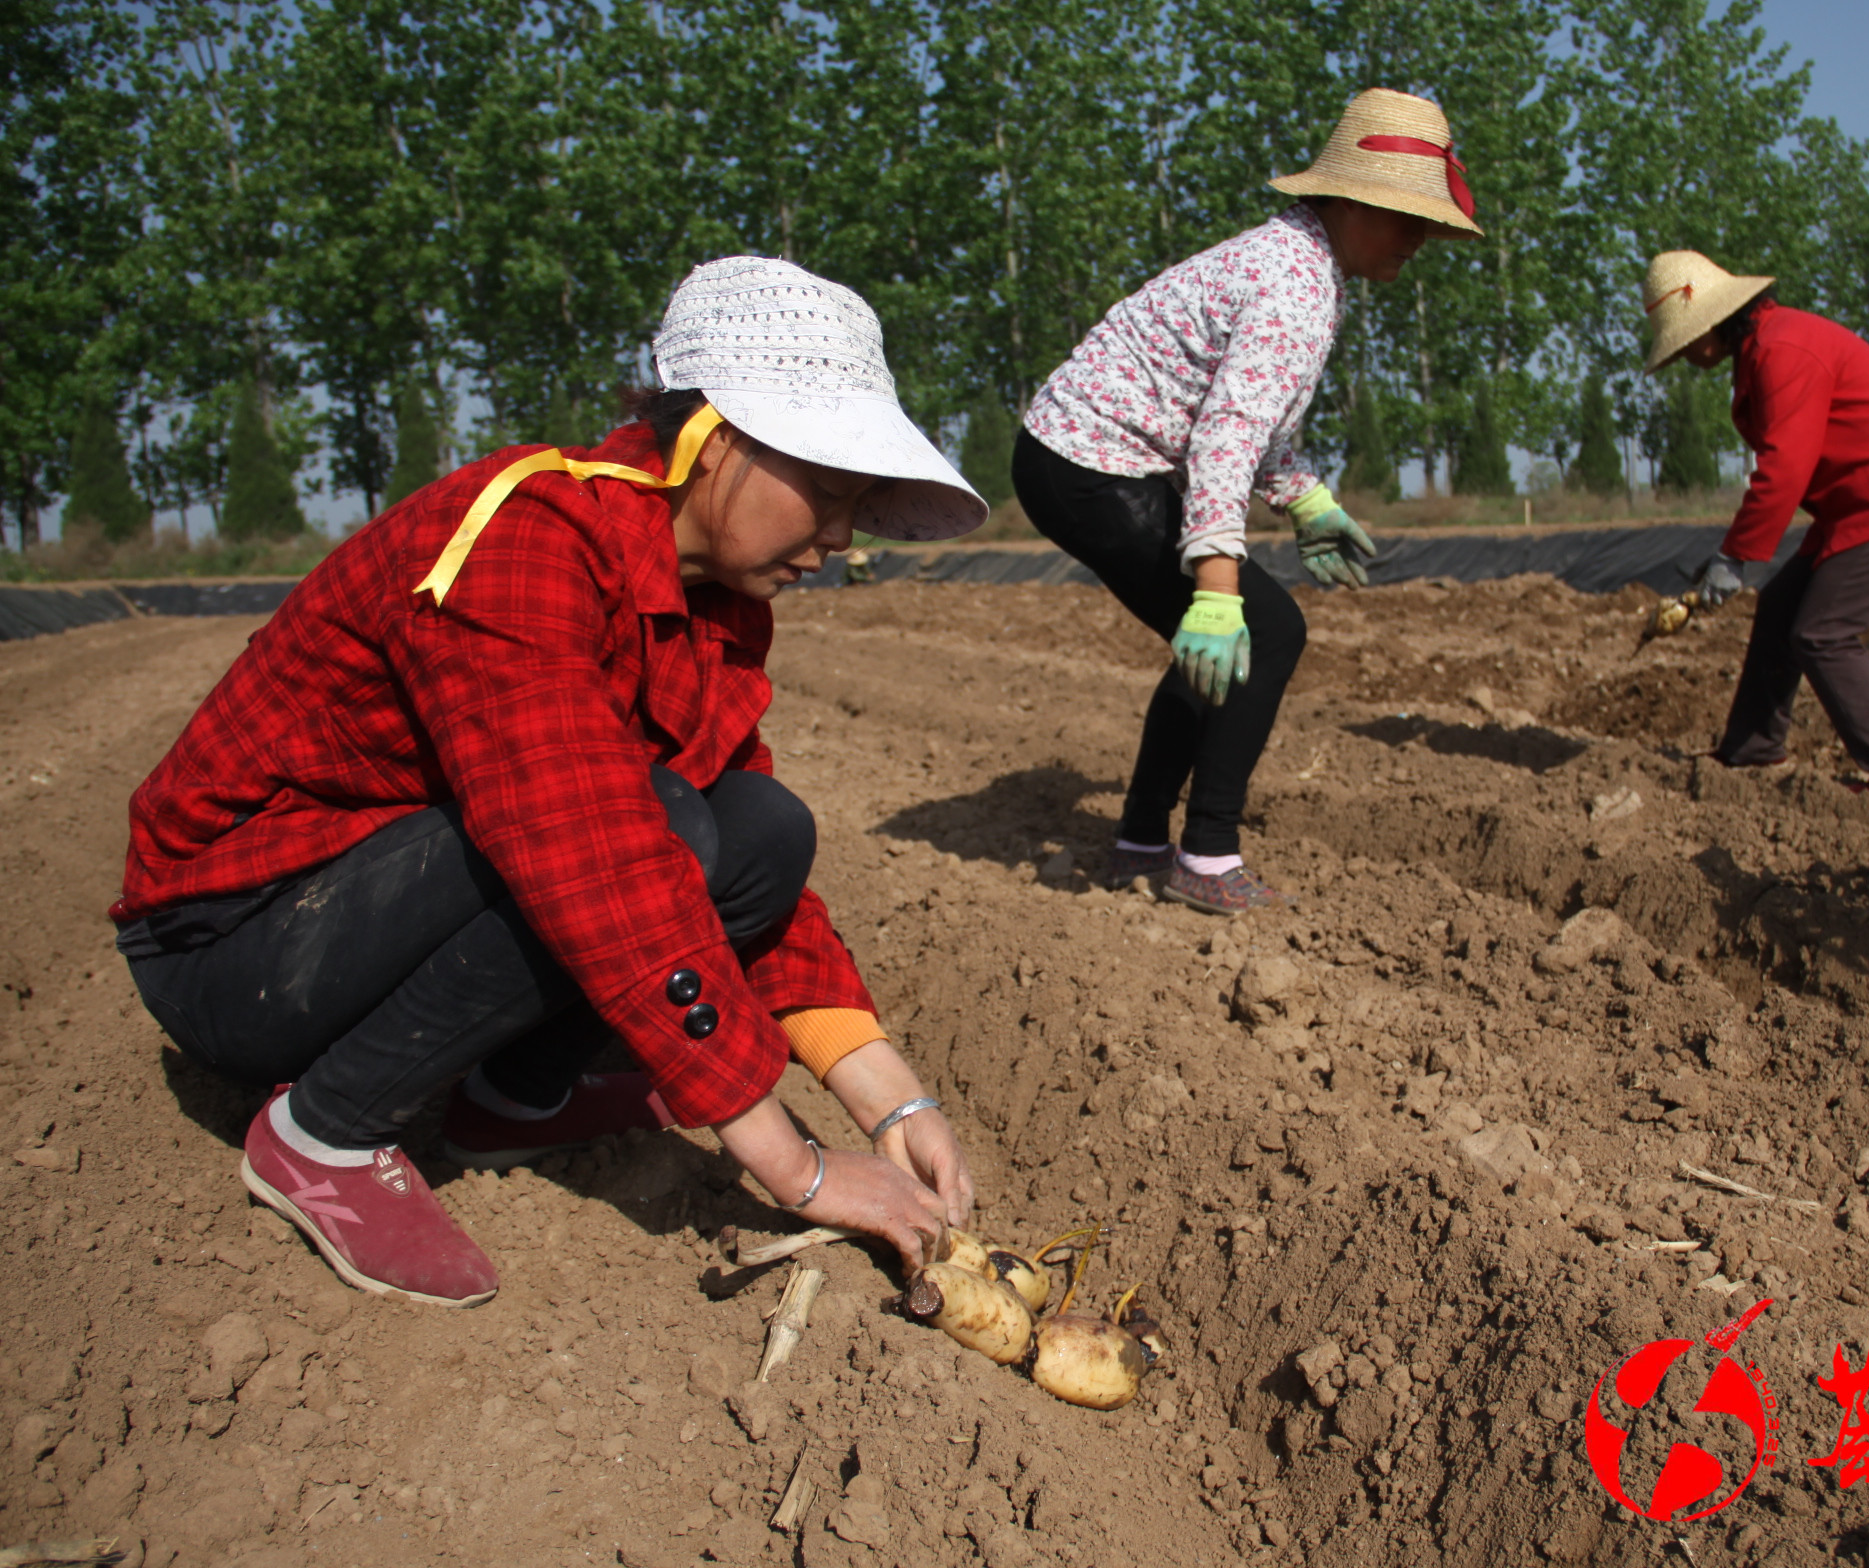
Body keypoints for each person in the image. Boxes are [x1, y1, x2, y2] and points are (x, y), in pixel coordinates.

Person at [113, 258, 987, 1307]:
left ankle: (511, 1100)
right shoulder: (528, 532)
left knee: (757, 827)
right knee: (646, 823)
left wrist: (892, 1101)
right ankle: (326, 1133)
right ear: (717, 440)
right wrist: (795, 1168)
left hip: (378, 894)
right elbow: (588, 851)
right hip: (238, 940)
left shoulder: (714, 606)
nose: (842, 538)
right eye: (832, 493)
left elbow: (755, 875)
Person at [1013, 87, 1481, 913]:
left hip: (1080, 458)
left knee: (1220, 647)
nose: (1420, 240)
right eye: (1408, 217)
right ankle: (1206, 854)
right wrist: (1218, 586)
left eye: (1429, 224)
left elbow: (1250, 428)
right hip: (1091, 462)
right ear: (1349, 201)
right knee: (1261, 629)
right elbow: (1223, 434)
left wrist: (1305, 500)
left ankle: (1140, 841)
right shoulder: (1293, 286)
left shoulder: (1302, 265)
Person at [1646, 250, 1869, 792]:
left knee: (1822, 633)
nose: (1683, 356)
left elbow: (1785, 467)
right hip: (1863, 500)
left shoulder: (1782, 350)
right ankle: (1751, 750)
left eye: (1681, 343)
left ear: (1708, 328)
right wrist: (1734, 552)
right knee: (1781, 606)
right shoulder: (1764, 348)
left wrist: (1736, 556)